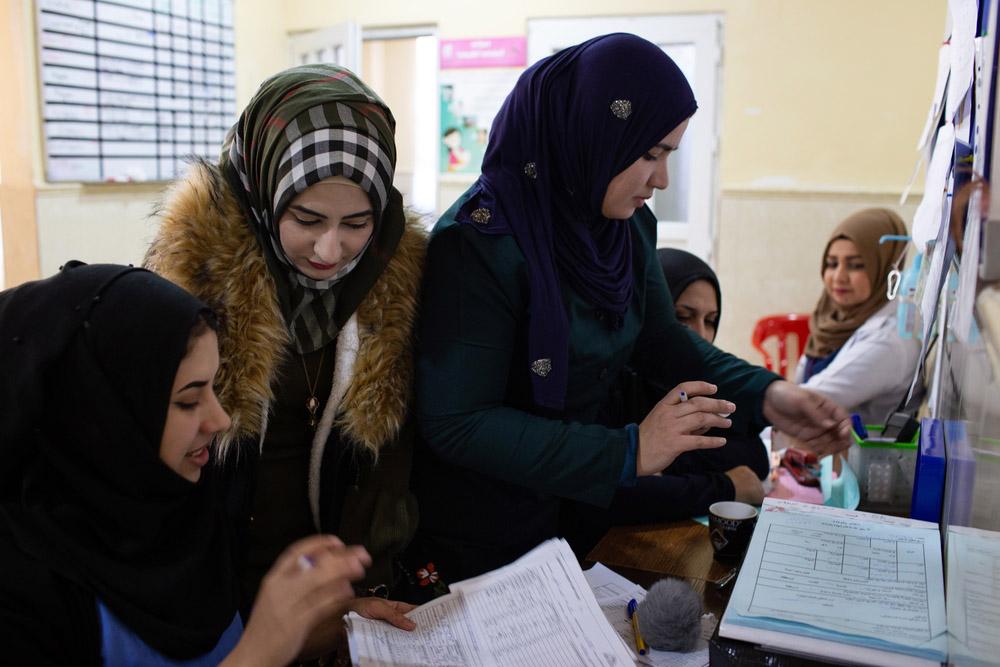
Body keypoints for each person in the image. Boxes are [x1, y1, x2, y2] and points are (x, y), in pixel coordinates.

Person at [412, 33, 852, 581]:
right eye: (649, 154)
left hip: (585, 514)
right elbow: (458, 423)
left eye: (670, 154)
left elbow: (658, 340)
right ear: (592, 135)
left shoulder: (624, 226)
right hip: (487, 534)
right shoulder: (481, 242)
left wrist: (769, 394)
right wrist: (629, 449)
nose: (662, 179)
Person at [0, 263, 383, 665]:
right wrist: (263, 650)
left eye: (213, 388)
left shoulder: (183, 511)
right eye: (187, 400)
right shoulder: (22, 588)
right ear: (99, 414)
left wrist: (312, 632)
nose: (219, 421)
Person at [144, 65, 425, 612]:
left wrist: (365, 586)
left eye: (357, 223)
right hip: (213, 578)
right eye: (307, 217)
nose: (329, 251)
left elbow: (389, 465)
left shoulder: (399, 273)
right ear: (266, 190)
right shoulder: (193, 271)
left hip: (335, 584)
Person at [793, 208, 920, 425]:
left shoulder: (887, 341)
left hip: (862, 456)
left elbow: (809, 400)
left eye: (856, 265)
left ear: (885, 268)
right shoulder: (833, 320)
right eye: (832, 264)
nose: (839, 277)